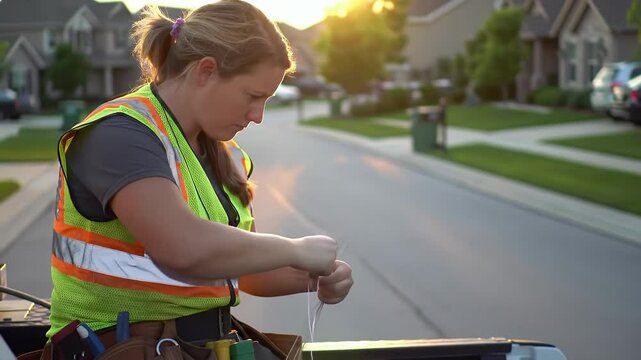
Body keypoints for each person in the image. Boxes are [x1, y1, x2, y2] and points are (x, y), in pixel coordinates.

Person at [47, 0, 353, 357]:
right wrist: (296, 249)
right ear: (206, 71)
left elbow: (245, 271)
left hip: (196, 345)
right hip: (121, 346)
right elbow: (183, 248)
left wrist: (316, 277)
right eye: (253, 96)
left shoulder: (226, 153)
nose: (258, 116)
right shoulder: (120, 134)